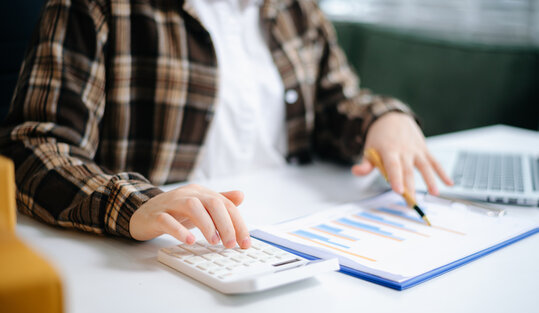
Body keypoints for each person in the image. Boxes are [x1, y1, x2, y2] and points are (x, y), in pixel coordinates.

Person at [0, 0, 452, 249]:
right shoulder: (98, 7)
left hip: (296, 240)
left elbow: (336, 103)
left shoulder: (297, 9)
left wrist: (382, 118)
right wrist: (135, 203)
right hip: (174, 251)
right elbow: (34, 145)